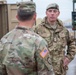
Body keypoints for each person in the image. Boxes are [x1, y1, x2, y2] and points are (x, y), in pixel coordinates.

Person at [0, 1, 55, 75]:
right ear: (35, 16)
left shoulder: (4, 40)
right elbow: (46, 72)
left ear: (17, 17)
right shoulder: (39, 42)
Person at [35, 3, 76, 75]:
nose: (52, 13)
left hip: (60, 69)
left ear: (58, 13)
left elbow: (72, 42)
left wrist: (69, 57)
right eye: (50, 11)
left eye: (54, 11)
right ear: (46, 13)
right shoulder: (38, 29)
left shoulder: (63, 29)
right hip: (44, 69)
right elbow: (32, 47)